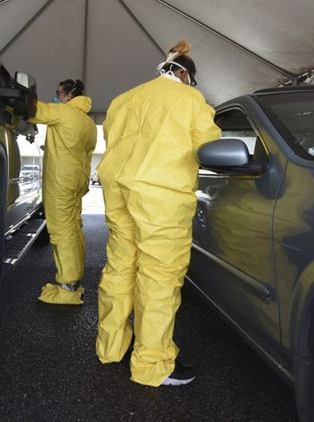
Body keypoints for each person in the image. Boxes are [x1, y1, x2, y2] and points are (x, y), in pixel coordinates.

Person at [95, 41, 221, 385]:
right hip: (162, 198)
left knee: (120, 267)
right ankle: (152, 364)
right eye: (191, 79)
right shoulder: (191, 99)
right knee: (159, 278)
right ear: (184, 74)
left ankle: (111, 347)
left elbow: (113, 142)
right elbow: (208, 146)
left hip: (118, 190)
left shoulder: (123, 100)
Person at [28, 79, 97, 304]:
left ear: (69, 95)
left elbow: (31, 109)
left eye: (59, 93)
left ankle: (67, 288)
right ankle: (74, 282)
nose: (56, 97)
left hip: (60, 181)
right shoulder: (87, 123)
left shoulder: (63, 113)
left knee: (61, 233)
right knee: (74, 230)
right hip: (77, 181)